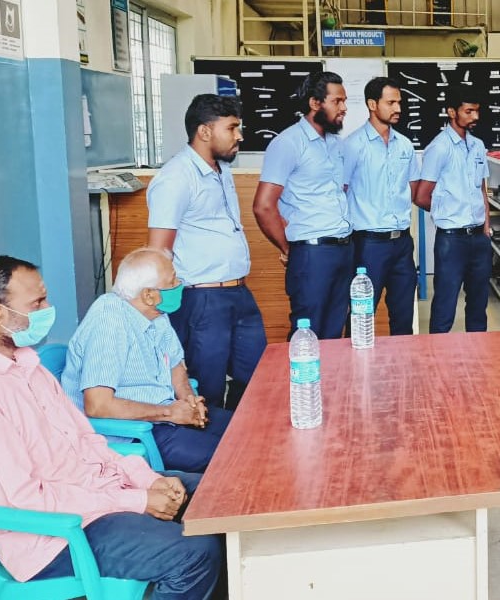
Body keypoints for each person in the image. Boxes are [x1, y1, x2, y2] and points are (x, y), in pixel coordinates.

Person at [0, 254, 221, 599]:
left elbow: (88, 440)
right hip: (56, 533)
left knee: (219, 500)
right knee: (194, 554)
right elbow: (26, 500)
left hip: (99, 492)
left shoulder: (26, 365)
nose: (48, 309)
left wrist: (145, 479)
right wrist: (137, 500)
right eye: (37, 303)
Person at [62, 248, 232, 473]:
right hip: (133, 431)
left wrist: (190, 402)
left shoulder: (155, 313)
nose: (179, 285)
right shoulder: (109, 322)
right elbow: (98, 405)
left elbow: (175, 365)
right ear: (148, 295)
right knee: (232, 459)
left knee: (249, 431)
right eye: (172, 282)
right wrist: (170, 413)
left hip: (164, 414)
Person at [148, 93, 266, 409]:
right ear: (204, 131)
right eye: (232, 128)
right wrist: (163, 309)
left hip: (238, 293)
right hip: (202, 299)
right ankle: (211, 440)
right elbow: (158, 251)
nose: (239, 136)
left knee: (257, 379)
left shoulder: (220, 170)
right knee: (208, 387)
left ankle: (240, 434)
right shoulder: (176, 177)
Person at [252, 71, 353, 339]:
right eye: (337, 101)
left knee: (334, 334)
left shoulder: (336, 144)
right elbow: (263, 206)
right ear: (314, 103)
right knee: (307, 335)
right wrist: (288, 248)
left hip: (343, 249)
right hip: (311, 253)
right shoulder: (288, 143)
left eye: (344, 101)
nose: (344, 108)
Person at [341, 76, 420, 335]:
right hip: (368, 245)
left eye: (399, 102)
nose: (398, 108)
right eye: (391, 103)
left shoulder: (405, 145)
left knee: (404, 317)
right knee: (362, 317)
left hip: (402, 243)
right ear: (372, 104)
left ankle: (403, 361)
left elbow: (412, 187)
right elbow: (340, 191)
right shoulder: (352, 146)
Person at [414, 86, 491, 334]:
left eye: (477, 111)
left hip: (479, 238)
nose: (475, 117)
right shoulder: (439, 148)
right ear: (451, 112)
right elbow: (421, 196)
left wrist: (486, 228)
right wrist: (447, 212)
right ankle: (437, 355)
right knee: (445, 306)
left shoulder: (478, 145)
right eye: (468, 111)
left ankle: (477, 352)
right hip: (452, 240)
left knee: (479, 305)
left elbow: (482, 189)